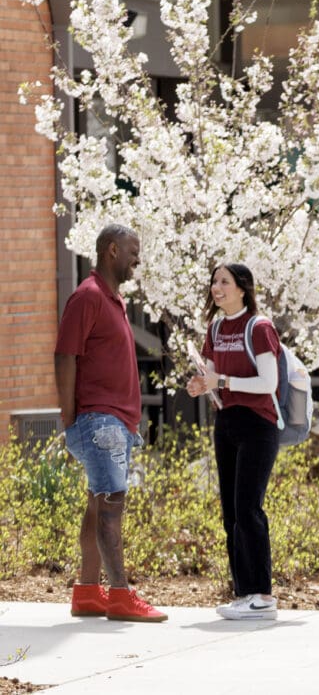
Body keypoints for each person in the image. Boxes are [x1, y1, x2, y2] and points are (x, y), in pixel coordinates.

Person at [55, 223, 167, 623]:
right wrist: (71, 421)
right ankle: (121, 595)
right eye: (134, 251)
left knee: (97, 503)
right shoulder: (87, 297)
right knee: (111, 506)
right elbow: (65, 356)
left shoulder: (112, 299)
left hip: (114, 423)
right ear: (113, 251)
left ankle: (88, 592)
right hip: (98, 421)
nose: (139, 258)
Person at [186, 263, 283, 621]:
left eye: (224, 281)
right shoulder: (215, 327)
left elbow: (267, 382)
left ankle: (263, 595)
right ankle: (243, 593)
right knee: (231, 512)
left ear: (243, 288)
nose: (217, 287)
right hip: (226, 421)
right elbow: (211, 377)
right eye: (213, 280)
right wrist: (201, 385)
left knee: (248, 507)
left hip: (258, 423)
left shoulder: (258, 327)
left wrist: (221, 381)